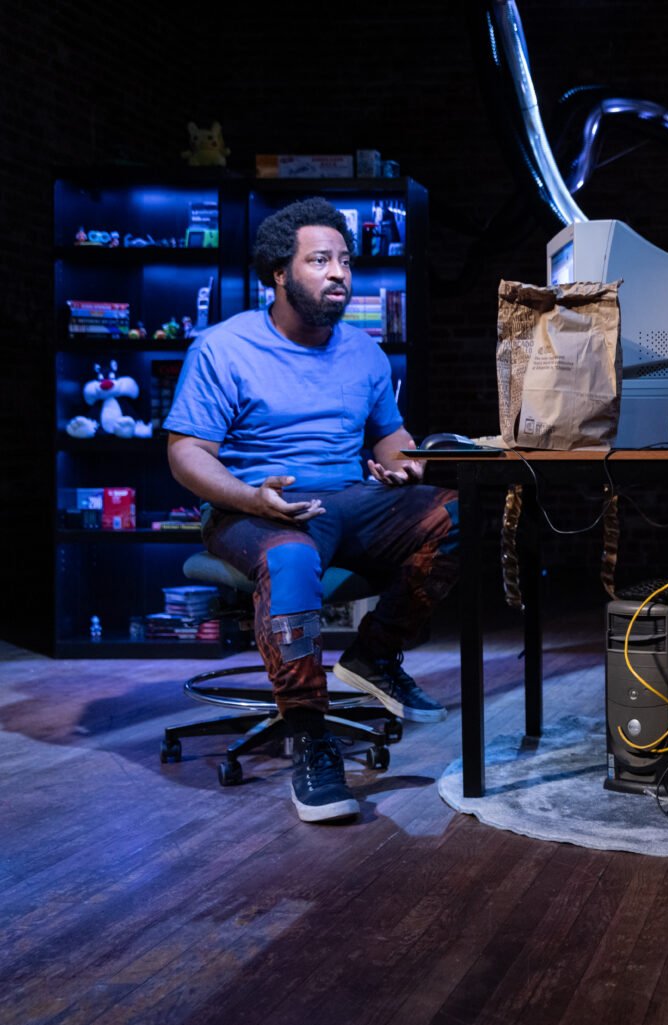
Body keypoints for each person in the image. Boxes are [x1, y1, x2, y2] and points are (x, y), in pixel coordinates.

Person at [165, 197, 458, 824]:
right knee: (293, 558)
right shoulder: (225, 348)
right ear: (279, 274)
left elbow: (390, 435)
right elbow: (186, 451)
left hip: (349, 500)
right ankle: (308, 732)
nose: (339, 274)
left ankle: (376, 655)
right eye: (320, 260)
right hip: (253, 505)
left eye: (345, 261)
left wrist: (404, 466)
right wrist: (248, 496)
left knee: (459, 514)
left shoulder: (364, 351)